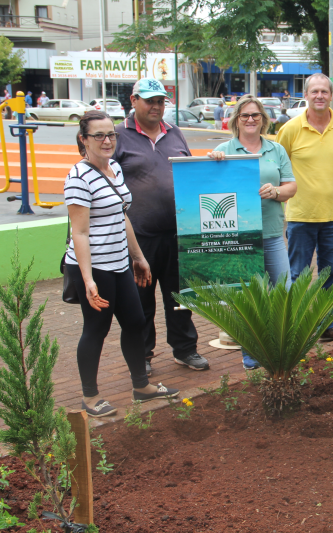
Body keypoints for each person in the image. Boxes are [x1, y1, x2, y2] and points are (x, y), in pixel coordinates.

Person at [64, 110, 179, 418]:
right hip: (94, 267)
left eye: (111, 134)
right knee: (96, 329)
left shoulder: (114, 167)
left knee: (135, 322)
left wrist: (138, 257)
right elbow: (80, 232)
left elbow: (121, 215)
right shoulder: (78, 177)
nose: (107, 140)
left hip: (119, 263)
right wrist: (88, 280)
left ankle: (141, 387)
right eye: (98, 135)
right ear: (83, 139)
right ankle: (90, 396)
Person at [114, 77, 209, 376]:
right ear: (134, 101)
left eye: (160, 101)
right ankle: (141, 354)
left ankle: (185, 349)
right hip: (139, 237)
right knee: (140, 300)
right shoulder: (118, 136)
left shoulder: (175, 133)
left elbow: (191, 175)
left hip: (178, 233)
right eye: (149, 100)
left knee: (181, 298)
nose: (156, 106)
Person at [209, 95, 298, 368]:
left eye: (255, 115)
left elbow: (291, 187)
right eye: (245, 115)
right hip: (240, 237)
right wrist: (213, 163)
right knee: (248, 296)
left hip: (271, 233)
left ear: (263, 119)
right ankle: (251, 357)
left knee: (283, 291)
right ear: (236, 120)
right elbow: (209, 187)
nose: (250, 119)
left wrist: (276, 191)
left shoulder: (276, 149)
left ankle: (282, 351)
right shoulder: (224, 149)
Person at [276, 73, 333, 341]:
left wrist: (325, 185)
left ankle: (327, 325)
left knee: (330, 272)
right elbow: (279, 166)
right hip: (300, 215)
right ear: (306, 95)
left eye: (324, 91)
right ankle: (297, 326)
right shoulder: (290, 129)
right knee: (297, 273)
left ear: (331, 95)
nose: (319, 96)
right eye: (315, 92)